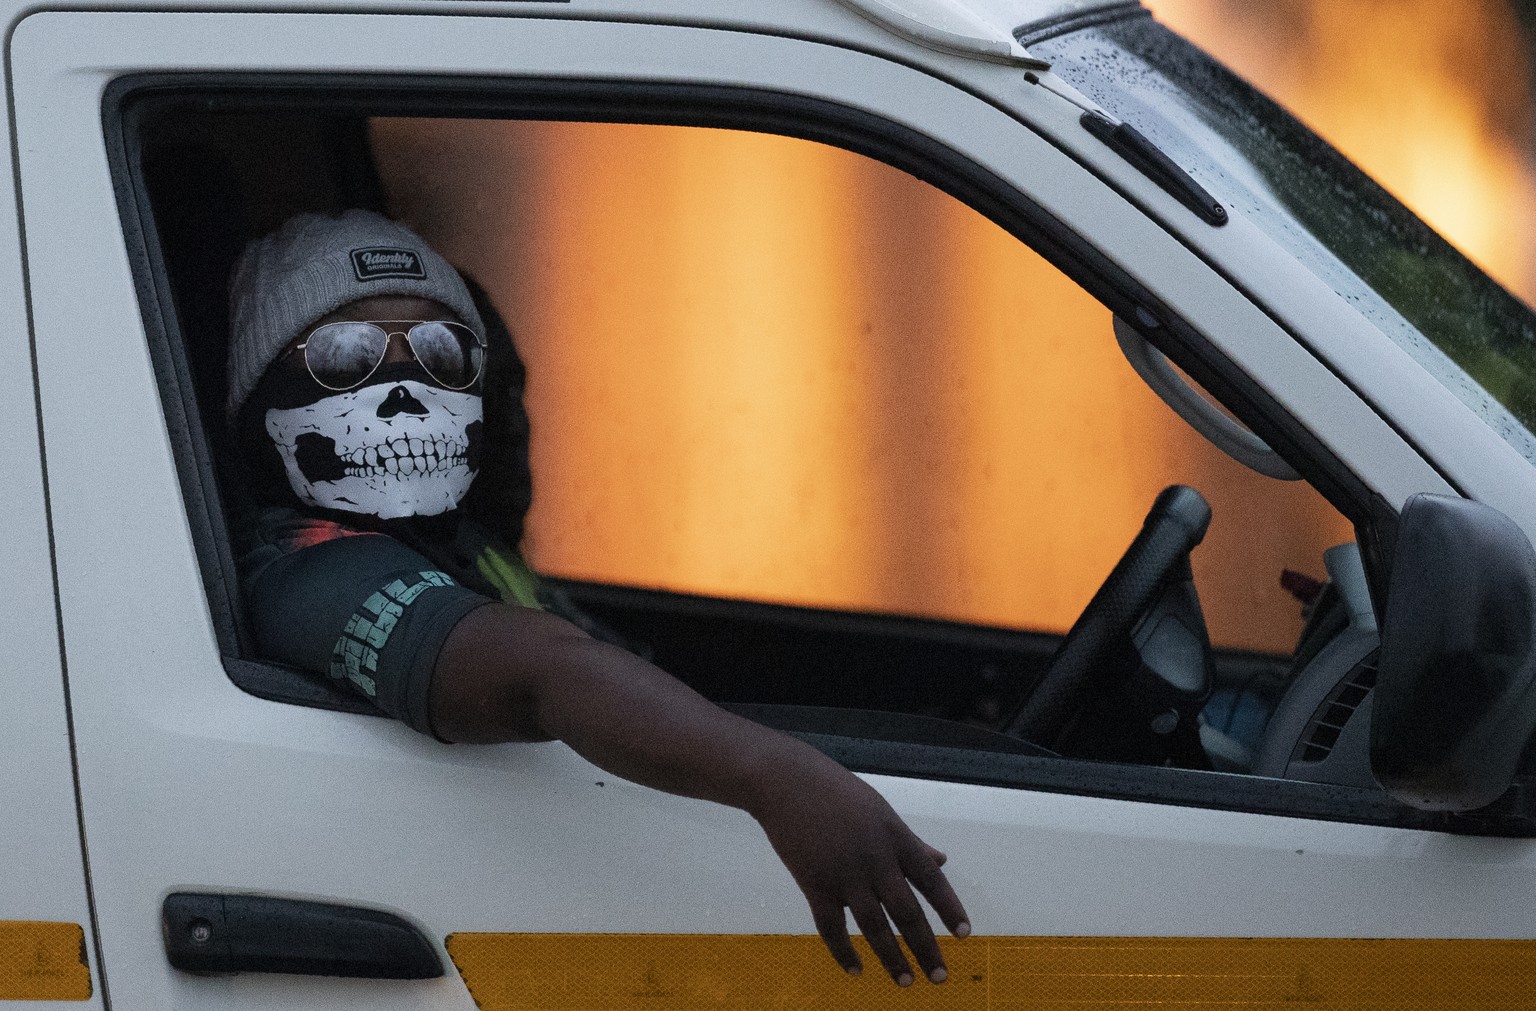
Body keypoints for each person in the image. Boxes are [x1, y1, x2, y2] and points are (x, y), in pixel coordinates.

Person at [228, 210, 969, 987]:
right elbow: (549, 674)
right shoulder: (302, 571)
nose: (407, 390)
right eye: (347, 355)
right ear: (261, 391)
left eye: (443, 352)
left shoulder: (459, 541)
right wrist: (777, 777)